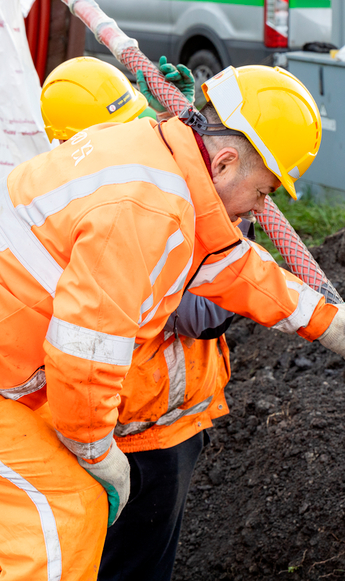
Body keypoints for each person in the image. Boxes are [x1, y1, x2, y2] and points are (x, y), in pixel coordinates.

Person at [0, 59, 345, 581]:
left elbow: (225, 260)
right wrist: (95, 450)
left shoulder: (155, 156)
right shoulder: (144, 210)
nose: (259, 209)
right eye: (261, 192)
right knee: (61, 514)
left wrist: (325, 320)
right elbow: (85, 356)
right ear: (226, 161)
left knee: (18, 506)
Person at [39, 55, 251, 581]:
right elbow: (204, 312)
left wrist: (180, 127)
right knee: (127, 566)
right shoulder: (120, 219)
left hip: (135, 421)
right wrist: (233, 212)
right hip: (139, 429)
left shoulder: (55, 192)